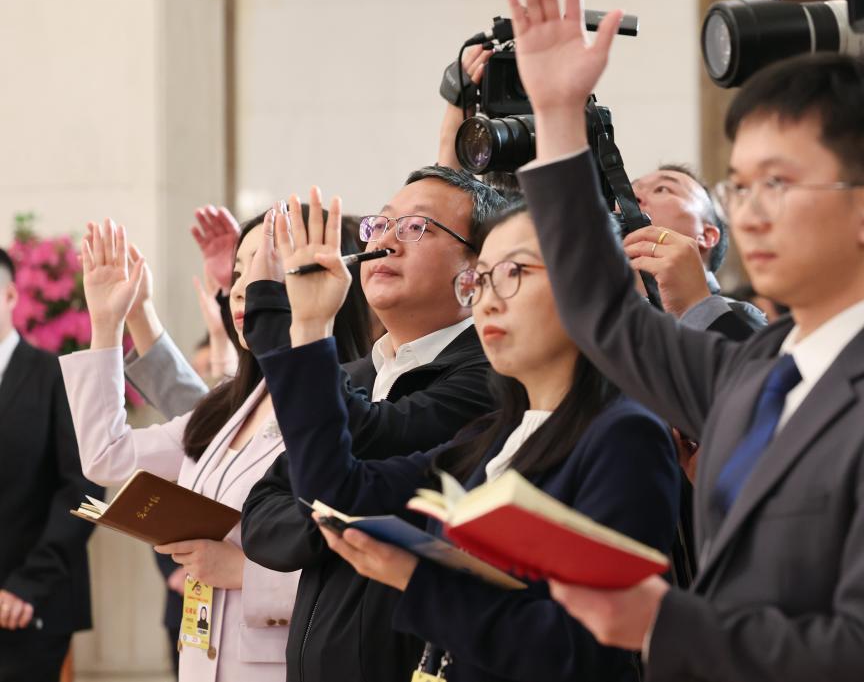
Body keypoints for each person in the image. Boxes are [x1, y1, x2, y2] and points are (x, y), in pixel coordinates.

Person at [498, 0, 864, 681]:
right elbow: (601, 311)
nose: (750, 214)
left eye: (779, 183)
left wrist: (662, 622)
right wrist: (556, 116)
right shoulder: (759, 368)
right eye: (738, 186)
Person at [252, 192, 680, 682]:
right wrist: (310, 325)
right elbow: (336, 492)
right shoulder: (495, 436)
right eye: (483, 279)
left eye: (515, 273)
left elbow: (583, 652)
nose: (490, 300)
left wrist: (418, 580)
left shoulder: (624, 436)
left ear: (586, 285)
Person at [238, 167, 507, 682]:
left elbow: (369, 442)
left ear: (477, 269)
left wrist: (300, 325)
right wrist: (340, 516)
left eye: (416, 227)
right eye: (380, 225)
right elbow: (262, 514)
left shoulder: (490, 375)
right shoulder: (353, 375)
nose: (385, 242)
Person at [59, 206, 319, 682]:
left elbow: (364, 579)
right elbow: (105, 457)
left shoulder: (343, 408)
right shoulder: (231, 406)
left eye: (264, 266)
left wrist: (245, 572)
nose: (239, 288)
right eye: (238, 273)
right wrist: (108, 323)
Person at [0, 248, 101, 682]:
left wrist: (28, 585)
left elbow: (87, 492)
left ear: (9, 296)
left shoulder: (57, 376)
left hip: (32, 602)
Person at [627, 163, 766, 331]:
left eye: (662, 189)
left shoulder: (737, 318)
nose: (632, 197)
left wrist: (698, 309)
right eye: (630, 189)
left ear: (707, 235)